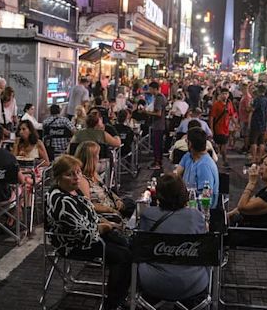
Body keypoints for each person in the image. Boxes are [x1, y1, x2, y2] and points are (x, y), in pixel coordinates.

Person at [45, 155, 131, 309]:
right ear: (58, 177)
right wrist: (106, 226)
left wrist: (105, 222)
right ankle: (113, 304)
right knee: (122, 257)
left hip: (91, 235)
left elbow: (88, 213)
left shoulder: (73, 190)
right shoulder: (61, 200)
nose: (77, 177)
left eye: (78, 172)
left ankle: (122, 294)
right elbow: (85, 233)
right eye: (70, 174)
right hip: (73, 243)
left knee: (128, 246)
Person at [138, 174, 209, 304]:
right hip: (192, 283)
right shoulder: (196, 217)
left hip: (153, 283)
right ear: (184, 193)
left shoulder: (148, 215)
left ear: (158, 195)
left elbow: (140, 246)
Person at [228, 151, 267, 246]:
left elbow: (242, 207)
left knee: (216, 236)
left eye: (265, 164)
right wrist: (227, 215)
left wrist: (251, 183)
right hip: (250, 230)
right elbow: (246, 205)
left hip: (258, 235)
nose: (261, 167)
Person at [75, 141, 134, 218]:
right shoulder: (82, 180)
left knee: (132, 203)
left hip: (112, 204)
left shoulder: (94, 173)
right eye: (97, 155)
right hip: (106, 213)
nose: (99, 158)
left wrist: (117, 199)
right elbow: (88, 205)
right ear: (91, 158)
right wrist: (111, 210)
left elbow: (106, 190)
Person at [175, 127, 219, 209]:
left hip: (198, 209)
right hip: (186, 202)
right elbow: (176, 174)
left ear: (190, 144)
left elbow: (205, 199)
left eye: (186, 141)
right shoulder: (188, 156)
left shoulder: (204, 166)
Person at [209, 87, 236, 167]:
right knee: (219, 146)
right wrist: (211, 129)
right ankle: (222, 161)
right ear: (220, 95)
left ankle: (224, 161)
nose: (225, 96)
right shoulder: (216, 104)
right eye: (223, 94)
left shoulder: (229, 103)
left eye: (226, 94)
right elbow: (212, 117)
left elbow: (231, 115)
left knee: (223, 146)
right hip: (218, 128)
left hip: (226, 128)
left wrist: (235, 124)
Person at [145, 82, 167, 170]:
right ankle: (158, 161)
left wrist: (146, 112)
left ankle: (157, 163)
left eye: (150, 89)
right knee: (158, 144)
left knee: (157, 144)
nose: (149, 91)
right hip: (160, 124)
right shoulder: (162, 97)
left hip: (158, 125)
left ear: (155, 89)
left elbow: (158, 113)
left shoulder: (158, 98)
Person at [249, 85, 267, 164]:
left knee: (254, 141)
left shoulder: (257, 99)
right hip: (264, 123)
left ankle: (253, 158)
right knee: (261, 142)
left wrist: (249, 106)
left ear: (259, 90)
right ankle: (260, 158)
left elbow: (252, 109)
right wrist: (266, 123)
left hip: (256, 122)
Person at [238, 83, 253, 152]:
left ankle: (246, 147)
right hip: (243, 117)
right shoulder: (245, 96)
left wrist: (244, 109)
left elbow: (248, 108)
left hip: (245, 118)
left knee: (245, 134)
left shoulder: (247, 97)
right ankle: (245, 146)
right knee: (244, 133)